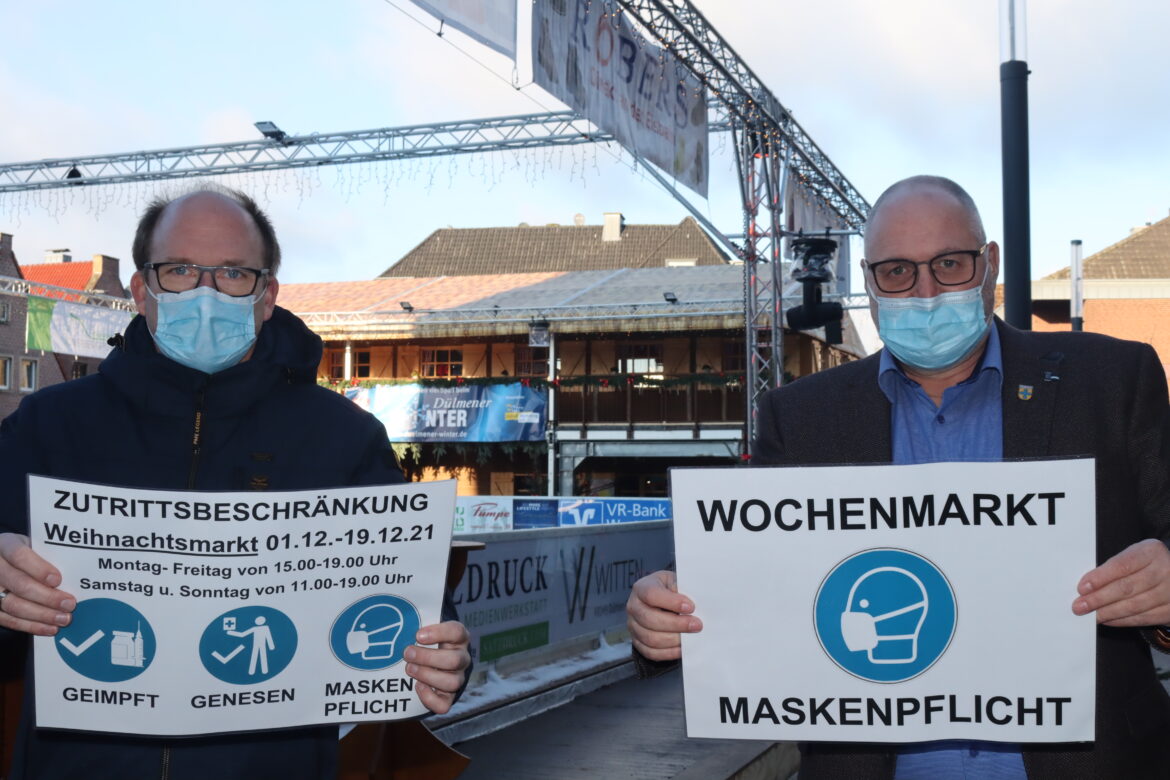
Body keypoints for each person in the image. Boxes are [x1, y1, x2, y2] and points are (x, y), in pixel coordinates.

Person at [627, 175, 1170, 779]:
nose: (926, 291)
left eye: (950, 263)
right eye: (897, 272)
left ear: (989, 264)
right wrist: (662, 615)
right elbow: (731, 575)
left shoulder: (1112, 380)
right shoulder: (801, 416)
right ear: (869, 280)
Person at [0, 188, 471, 779]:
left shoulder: (344, 438)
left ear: (266, 296)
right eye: (179, 270)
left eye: (232, 273)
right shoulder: (48, 425)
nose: (205, 293)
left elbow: (417, 612)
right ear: (142, 290)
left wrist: (445, 658)